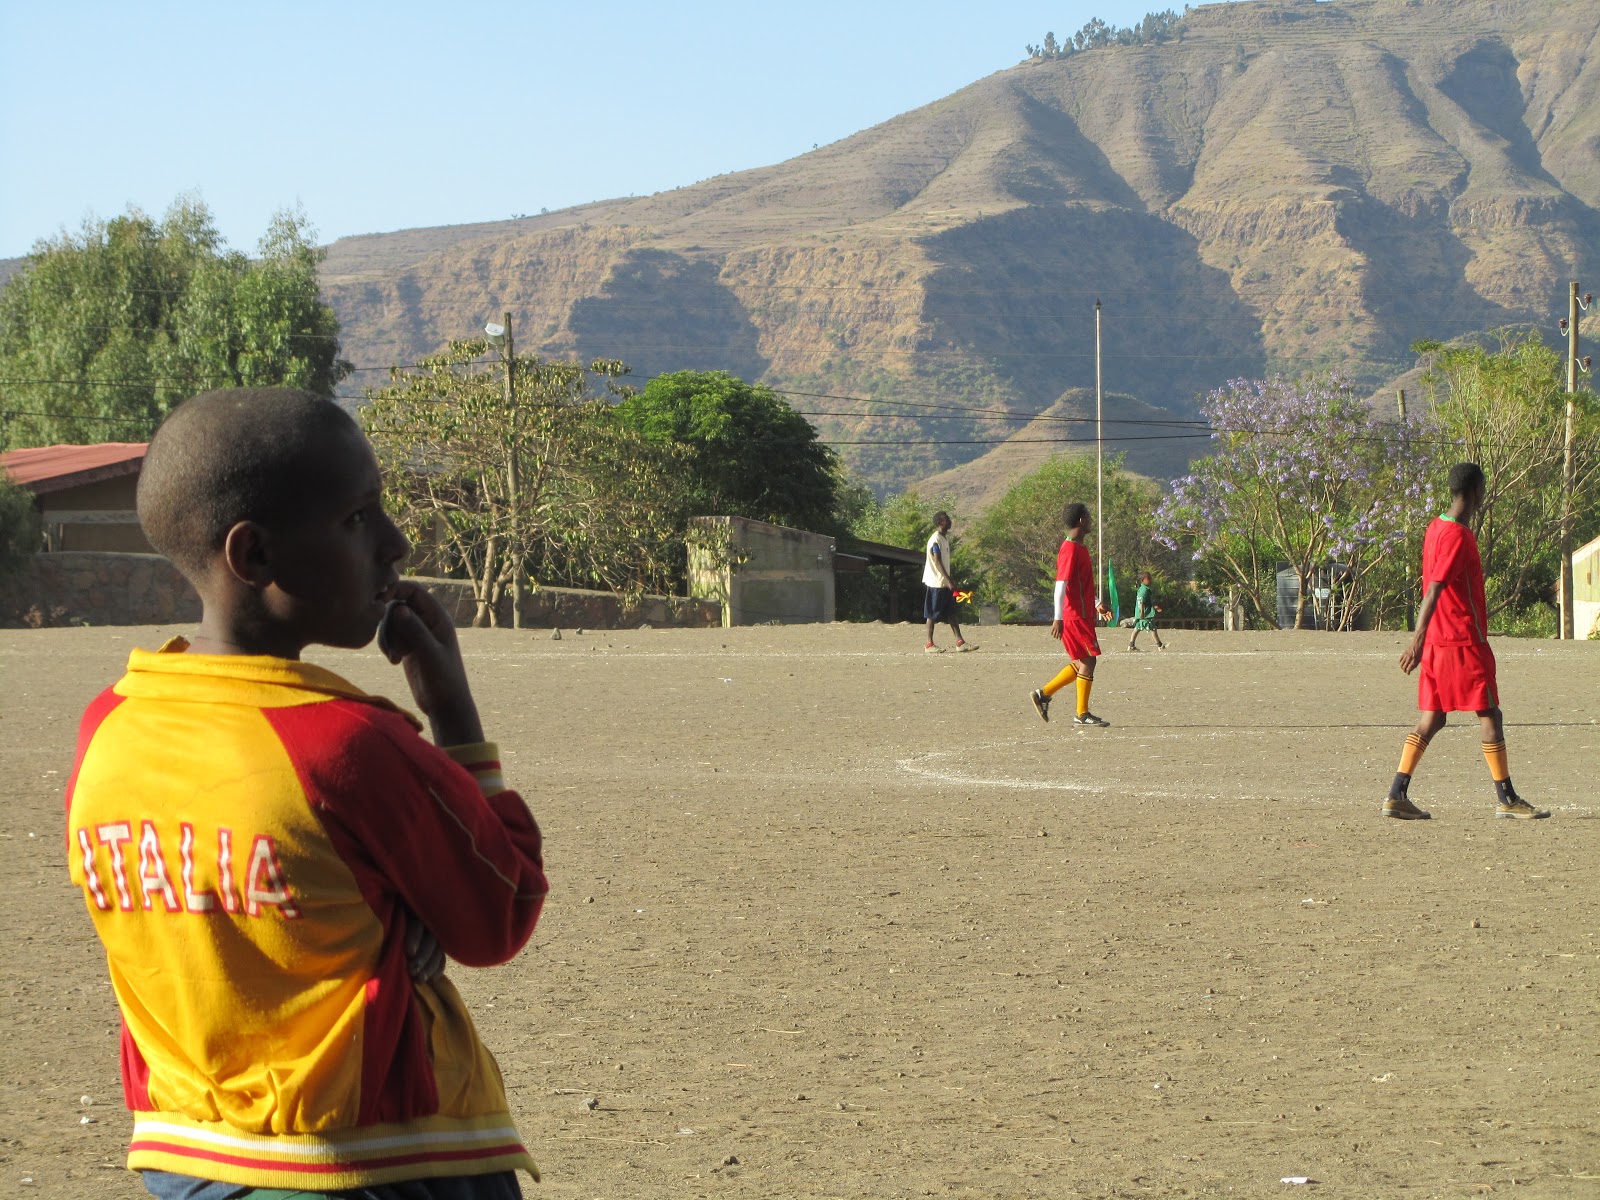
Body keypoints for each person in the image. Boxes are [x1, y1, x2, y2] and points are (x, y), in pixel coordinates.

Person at [64, 388, 549, 1200]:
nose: (396, 543)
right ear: (253, 556)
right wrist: (454, 714)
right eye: (359, 518)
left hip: (187, 1161)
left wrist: (392, 921)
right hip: (376, 1163)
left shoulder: (108, 726)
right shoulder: (345, 745)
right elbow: (499, 910)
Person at [1386, 461, 1548, 821]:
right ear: (1477, 491)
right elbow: (1434, 590)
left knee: (1434, 718)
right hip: (1462, 642)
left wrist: (1423, 643)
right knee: (1490, 713)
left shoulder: (1435, 527)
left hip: (1438, 646)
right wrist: (1415, 640)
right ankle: (1507, 799)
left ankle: (1396, 793)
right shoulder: (1459, 536)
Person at [1030, 502, 1113, 726]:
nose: (1091, 521)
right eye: (1088, 517)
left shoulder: (1081, 548)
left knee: (1083, 661)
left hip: (1083, 613)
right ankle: (1081, 714)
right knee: (1089, 660)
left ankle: (1044, 694)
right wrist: (1058, 617)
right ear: (1081, 521)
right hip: (1073, 615)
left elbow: (1081, 584)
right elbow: (1061, 585)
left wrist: (1096, 603)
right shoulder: (1069, 549)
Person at [922, 510, 975, 653]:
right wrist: (948, 580)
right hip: (937, 583)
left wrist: (949, 580)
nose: (950, 521)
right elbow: (937, 561)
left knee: (951, 612)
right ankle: (929, 645)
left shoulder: (944, 538)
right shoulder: (935, 540)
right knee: (932, 614)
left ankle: (960, 642)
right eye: (947, 520)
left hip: (944, 583)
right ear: (940, 523)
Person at [1127, 571, 1166, 651]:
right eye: (1148, 579)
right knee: (1152, 629)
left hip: (1142, 613)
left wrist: (1154, 607)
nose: (1150, 580)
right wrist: (1142, 613)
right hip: (1145, 614)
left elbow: (1147, 602)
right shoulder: (1144, 590)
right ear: (1142, 580)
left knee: (1137, 628)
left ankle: (1131, 645)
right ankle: (1160, 645)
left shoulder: (1144, 589)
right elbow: (1141, 602)